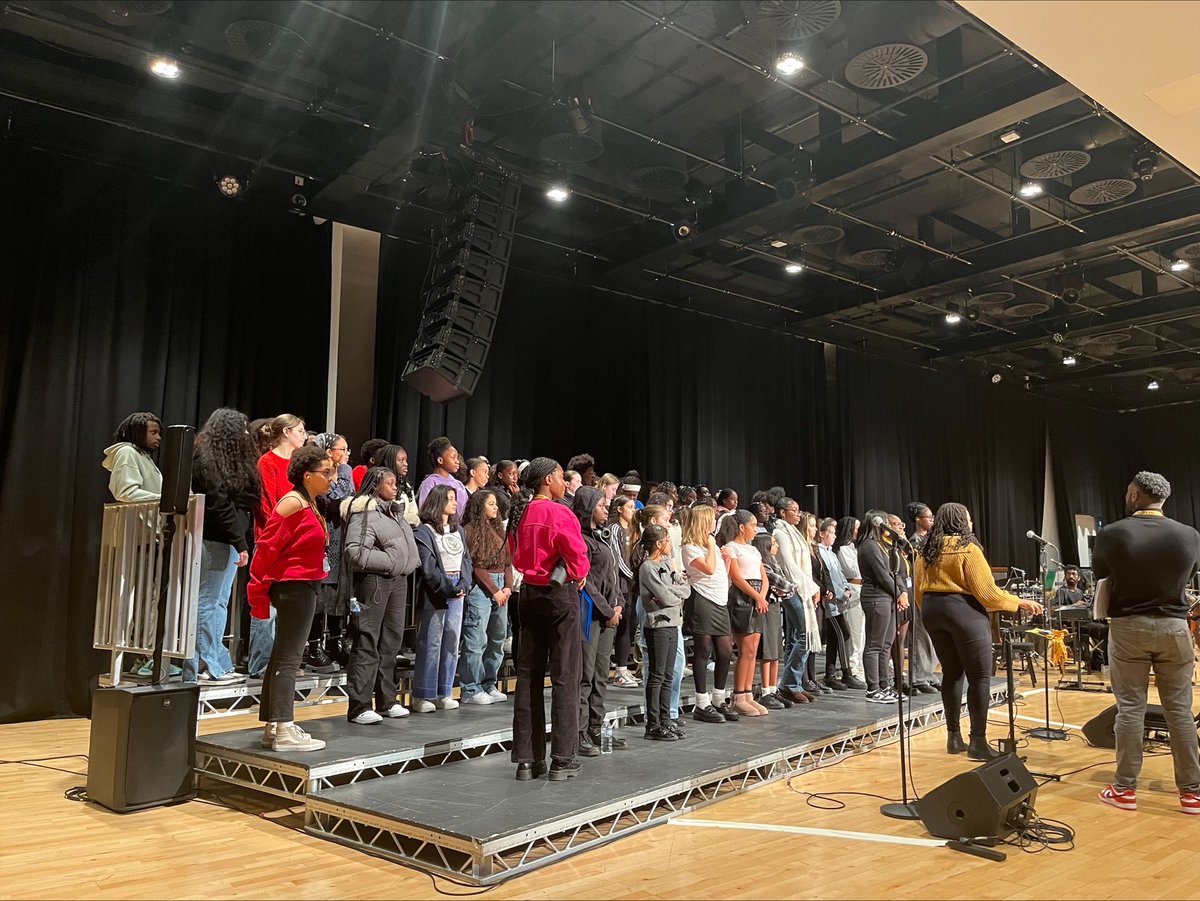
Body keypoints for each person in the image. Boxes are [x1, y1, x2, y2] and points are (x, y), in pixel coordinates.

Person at [1092, 472, 1200, 815]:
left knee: (1130, 709)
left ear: (1135, 496)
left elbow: (1099, 574)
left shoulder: (1113, 533)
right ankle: (1192, 793)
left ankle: (1124, 789)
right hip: (1175, 627)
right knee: (1180, 711)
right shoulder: (1190, 535)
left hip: (1128, 627)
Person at [916, 502, 1043, 760]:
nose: (971, 524)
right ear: (962, 522)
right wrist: (1018, 603)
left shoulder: (926, 550)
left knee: (951, 673)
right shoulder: (968, 549)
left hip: (932, 611)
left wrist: (931, 609)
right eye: (969, 519)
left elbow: (919, 588)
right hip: (963, 612)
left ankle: (953, 738)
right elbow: (987, 592)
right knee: (980, 676)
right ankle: (978, 742)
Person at [247, 445, 336, 752]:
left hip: (303, 584)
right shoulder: (292, 503)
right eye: (326, 472)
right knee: (289, 658)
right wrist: (258, 589)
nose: (332, 478)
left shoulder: (309, 503)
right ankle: (284, 727)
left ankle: (274, 725)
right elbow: (266, 548)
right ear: (307, 475)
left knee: (282, 656)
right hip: (293, 586)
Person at [508, 458, 589, 782]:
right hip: (559, 597)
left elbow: (516, 555)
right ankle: (562, 758)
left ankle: (527, 760)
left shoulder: (521, 513)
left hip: (529, 594)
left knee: (527, 676)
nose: (564, 483)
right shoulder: (560, 513)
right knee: (566, 676)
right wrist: (578, 573)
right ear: (547, 481)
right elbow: (578, 559)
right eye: (559, 477)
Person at [186, 408, 259, 685]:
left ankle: (213, 664)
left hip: (224, 539)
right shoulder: (207, 458)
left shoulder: (226, 460)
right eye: (240, 429)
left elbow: (253, 495)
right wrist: (239, 542)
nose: (245, 434)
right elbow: (220, 502)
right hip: (216, 538)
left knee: (217, 603)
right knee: (207, 602)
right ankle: (208, 666)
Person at [341, 467, 420, 724]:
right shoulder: (364, 514)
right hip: (375, 581)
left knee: (391, 642)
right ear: (375, 486)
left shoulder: (395, 514)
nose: (395, 487)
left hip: (398, 582)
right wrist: (390, 561)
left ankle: (387, 701)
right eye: (389, 483)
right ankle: (359, 706)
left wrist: (404, 564)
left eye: (395, 482)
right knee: (367, 641)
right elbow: (355, 552)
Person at [248, 414, 307, 678]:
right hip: (273, 542)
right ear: (286, 432)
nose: (304, 436)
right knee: (266, 608)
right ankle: (261, 664)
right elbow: (267, 505)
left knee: (288, 608)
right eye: (300, 431)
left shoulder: (297, 465)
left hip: (296, 545)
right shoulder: (268, 462)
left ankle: (282, 666)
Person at [572, 486, 626, 755]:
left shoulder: (601, 538)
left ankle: (596, 727)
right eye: (602, 505)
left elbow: (613, 576)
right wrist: (608, 610)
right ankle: (579, 732)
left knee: (601, 675)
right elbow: (587, 583)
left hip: (608, 616)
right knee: (586, 676)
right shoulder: (581, 540)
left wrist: (619, 603)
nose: (607, 509)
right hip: (590, 616)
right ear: (587, 507)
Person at [412, 485, 472, 713]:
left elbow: (466, 560)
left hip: (458, 589)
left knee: (452, 642)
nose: (455, 503)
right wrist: (447, 588)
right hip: (437, 591)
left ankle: (444, 691)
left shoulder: (460, 531)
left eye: (455, 499)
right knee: (431, 642)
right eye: (449, 498)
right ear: (438, 502)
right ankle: (423, 694)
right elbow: (428, 568)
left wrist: (464, 584)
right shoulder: (425, 532)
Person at [304, 433, 354, 674]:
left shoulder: (342, 473)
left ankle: (334, 642)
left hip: (340, 540)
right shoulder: (321, 473)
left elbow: (348, 502)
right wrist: (342, 471)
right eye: (341, 449)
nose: (346, 454)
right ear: (328, 451)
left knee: (336, 595)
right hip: (323, 540)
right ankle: (312, 647)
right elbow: (333, 501)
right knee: (320, 597)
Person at [681, 504, 735, 723]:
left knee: (725, 652)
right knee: (703, 650)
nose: (715, 523)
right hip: (702, 600)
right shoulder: (690, 547)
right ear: (703, 522)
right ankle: (701, 703)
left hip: (720, 601)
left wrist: (728, 560)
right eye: (712, 519)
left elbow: (722, 575)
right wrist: (713, 545)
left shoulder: (710, 546)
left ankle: (718, 698)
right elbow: (709, 569)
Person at [459, 488, 513, 706]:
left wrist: (508, 587)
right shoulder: (470, 531)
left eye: (495, 504)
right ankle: (471, 688)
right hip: (482, 589)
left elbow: (508, 562)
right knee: (476, 639)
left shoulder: (499, 529)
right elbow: (477, 566)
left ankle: (490, 683)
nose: (495, 508)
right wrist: (495, 590)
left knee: (497, 639)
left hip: (502, 588)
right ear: (479, 506)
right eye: (490, 504)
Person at [639, 524, 690, 740]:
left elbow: (686, 589)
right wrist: (672, 593)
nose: (670, 544)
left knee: (669, 674)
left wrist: (671, 592)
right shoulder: (648, 567)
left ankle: (665, 719)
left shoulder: (668, 564)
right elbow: (667, 597)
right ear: (659, 544)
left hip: (672, 623)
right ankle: (653, 724)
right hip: (658, 625)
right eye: (667, 540)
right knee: (657, 675)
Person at [719, 510, 769, 717]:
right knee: (745, 647)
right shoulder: (730, 548)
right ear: (742, 527)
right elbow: (737, 577)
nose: (755, 529)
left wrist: (762, 596)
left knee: (754, 649)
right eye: (752, 525)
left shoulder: (754, 550)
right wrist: (756, 597)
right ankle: (739, 695)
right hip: (741, 597)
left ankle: (748, 693)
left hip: (758, 596)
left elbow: (763, 575)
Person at [856, 510, 908, 705]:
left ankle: (884, 685)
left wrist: (902, 592)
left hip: (888, 597)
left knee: (886, 645)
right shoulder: (869, 546)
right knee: (874, 645)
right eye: (885, 522)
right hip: (876, 597)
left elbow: (895, 572)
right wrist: (899, 593)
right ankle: (873, 689)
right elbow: (882, 575)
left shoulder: (883, 546)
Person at [773, 499, 824, 696]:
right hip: (791, 588)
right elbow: (789, 565)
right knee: (803, 635)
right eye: (793, 510)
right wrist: (811, 587)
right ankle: (789, 684)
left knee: (795, 638)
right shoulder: (780, 533)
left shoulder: (794, 532)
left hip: (801, 588)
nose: (798, 513)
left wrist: (810, 587)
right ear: (782, 513)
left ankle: (792, 684)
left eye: (798, 510)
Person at [815, 518, 866, 691]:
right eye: (830, 533)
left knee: (836, 637)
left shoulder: (831, 553)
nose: (834, 536)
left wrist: (845, 587)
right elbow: (827, 577)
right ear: (821, 534)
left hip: (840, 601)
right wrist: (839, 592)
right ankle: (846, 672)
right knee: (844, 634)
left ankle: (830, 673)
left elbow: (840, 575)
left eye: (835, 533)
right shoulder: (820, 552)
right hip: (831, 602)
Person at [904, 502, 941, 694]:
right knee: (920, 636)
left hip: (931, 591)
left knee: (932, 635)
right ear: (919, 520)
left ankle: (929, 673)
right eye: (929, 517)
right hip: (919, 591)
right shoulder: (914, 542)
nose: (932, 520)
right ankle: (918, 677)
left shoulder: (931, 539)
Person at [752, 532, 790, 708]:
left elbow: (788, 586)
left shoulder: (775, 564)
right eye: (773, 543)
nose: (776, 546)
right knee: (767, 651)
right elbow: (783, 585)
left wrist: (786, 589)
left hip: (776, 608)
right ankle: (765, 690)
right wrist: (785, 589)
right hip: (766, 608)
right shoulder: (763, 565)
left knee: (775, 651)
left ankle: (774, 688)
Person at [607, 494, 639, 688]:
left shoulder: (633, 529)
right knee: (622, 628)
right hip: (621, 586)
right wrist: (635, 577)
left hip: (633, 586)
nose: (633, 511)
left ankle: (625, 668)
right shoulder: (614, 529)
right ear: (619, 509)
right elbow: (617, 560)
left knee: (630, 626)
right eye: (629, 507)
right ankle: (618, 671)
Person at [103, 412, 163, 502]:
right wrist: (163, 500)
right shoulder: (127, 452)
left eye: (158, 433)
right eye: (153, 432)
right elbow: (127, 493)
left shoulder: (143, 456)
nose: (158, 437)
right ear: (138, 433)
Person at [834, 516, 867, 683]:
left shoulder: (855, 548)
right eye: (856, 528)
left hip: (863, 588)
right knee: (855, 631)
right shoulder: (843, 550)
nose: (858, 531)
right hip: (853, 588)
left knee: (862, 631)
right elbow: (853, 569)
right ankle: (853, 667)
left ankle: (860, 666)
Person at [418, 437, 469, 514]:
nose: (457, 461)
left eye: (457, 458)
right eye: (453, 457)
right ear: (440, 460)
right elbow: (424, 510)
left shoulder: (459, 485)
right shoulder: (430, 483)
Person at [379, 444, 420, 527]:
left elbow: (414, 513)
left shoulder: (406, 485)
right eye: (401, 460)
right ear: (390, 462)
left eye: (406, 460)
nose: (406, 464)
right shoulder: (381, 485)